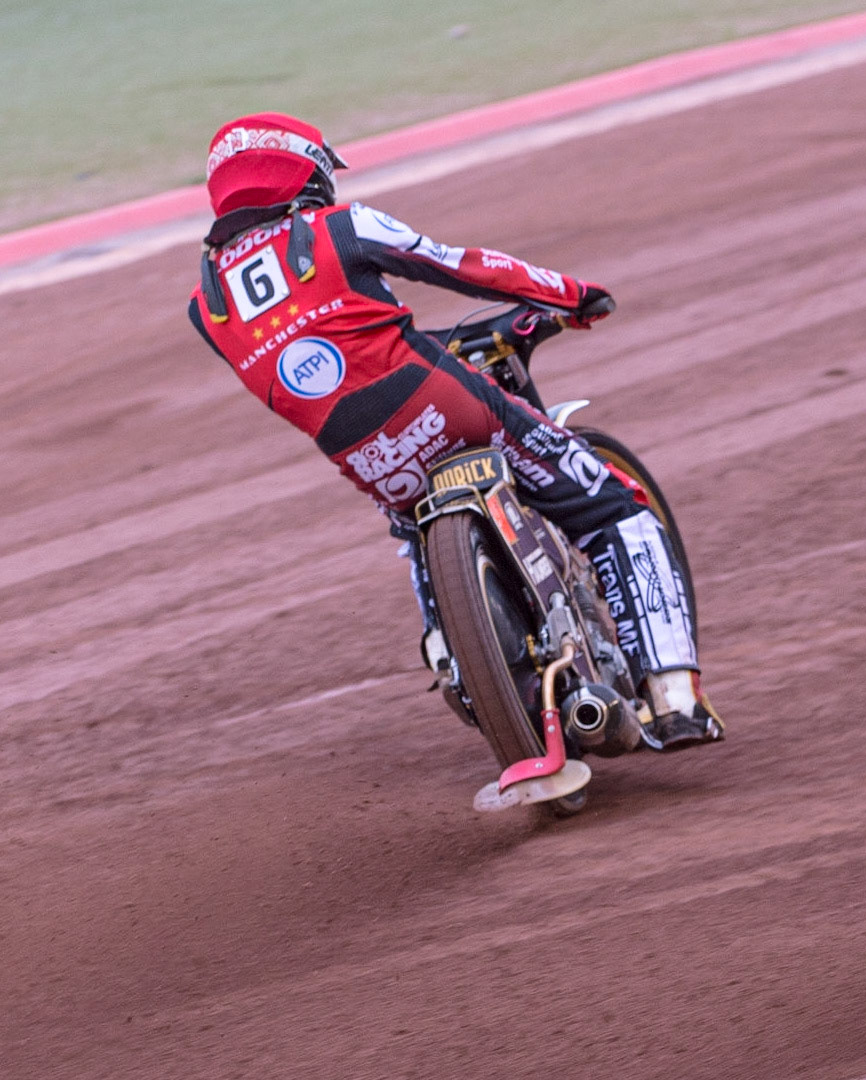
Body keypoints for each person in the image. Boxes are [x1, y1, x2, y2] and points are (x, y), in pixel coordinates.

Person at [186, 113, 722, 752]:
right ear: (305, 171)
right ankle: (672, 695)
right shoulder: (341, 226)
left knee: (412, 525)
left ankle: (461, 660)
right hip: (448, 407)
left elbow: (342, 353)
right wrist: (571, 295)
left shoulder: (206, 305)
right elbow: (466, 267)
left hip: (362, 452)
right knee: (612, 506)